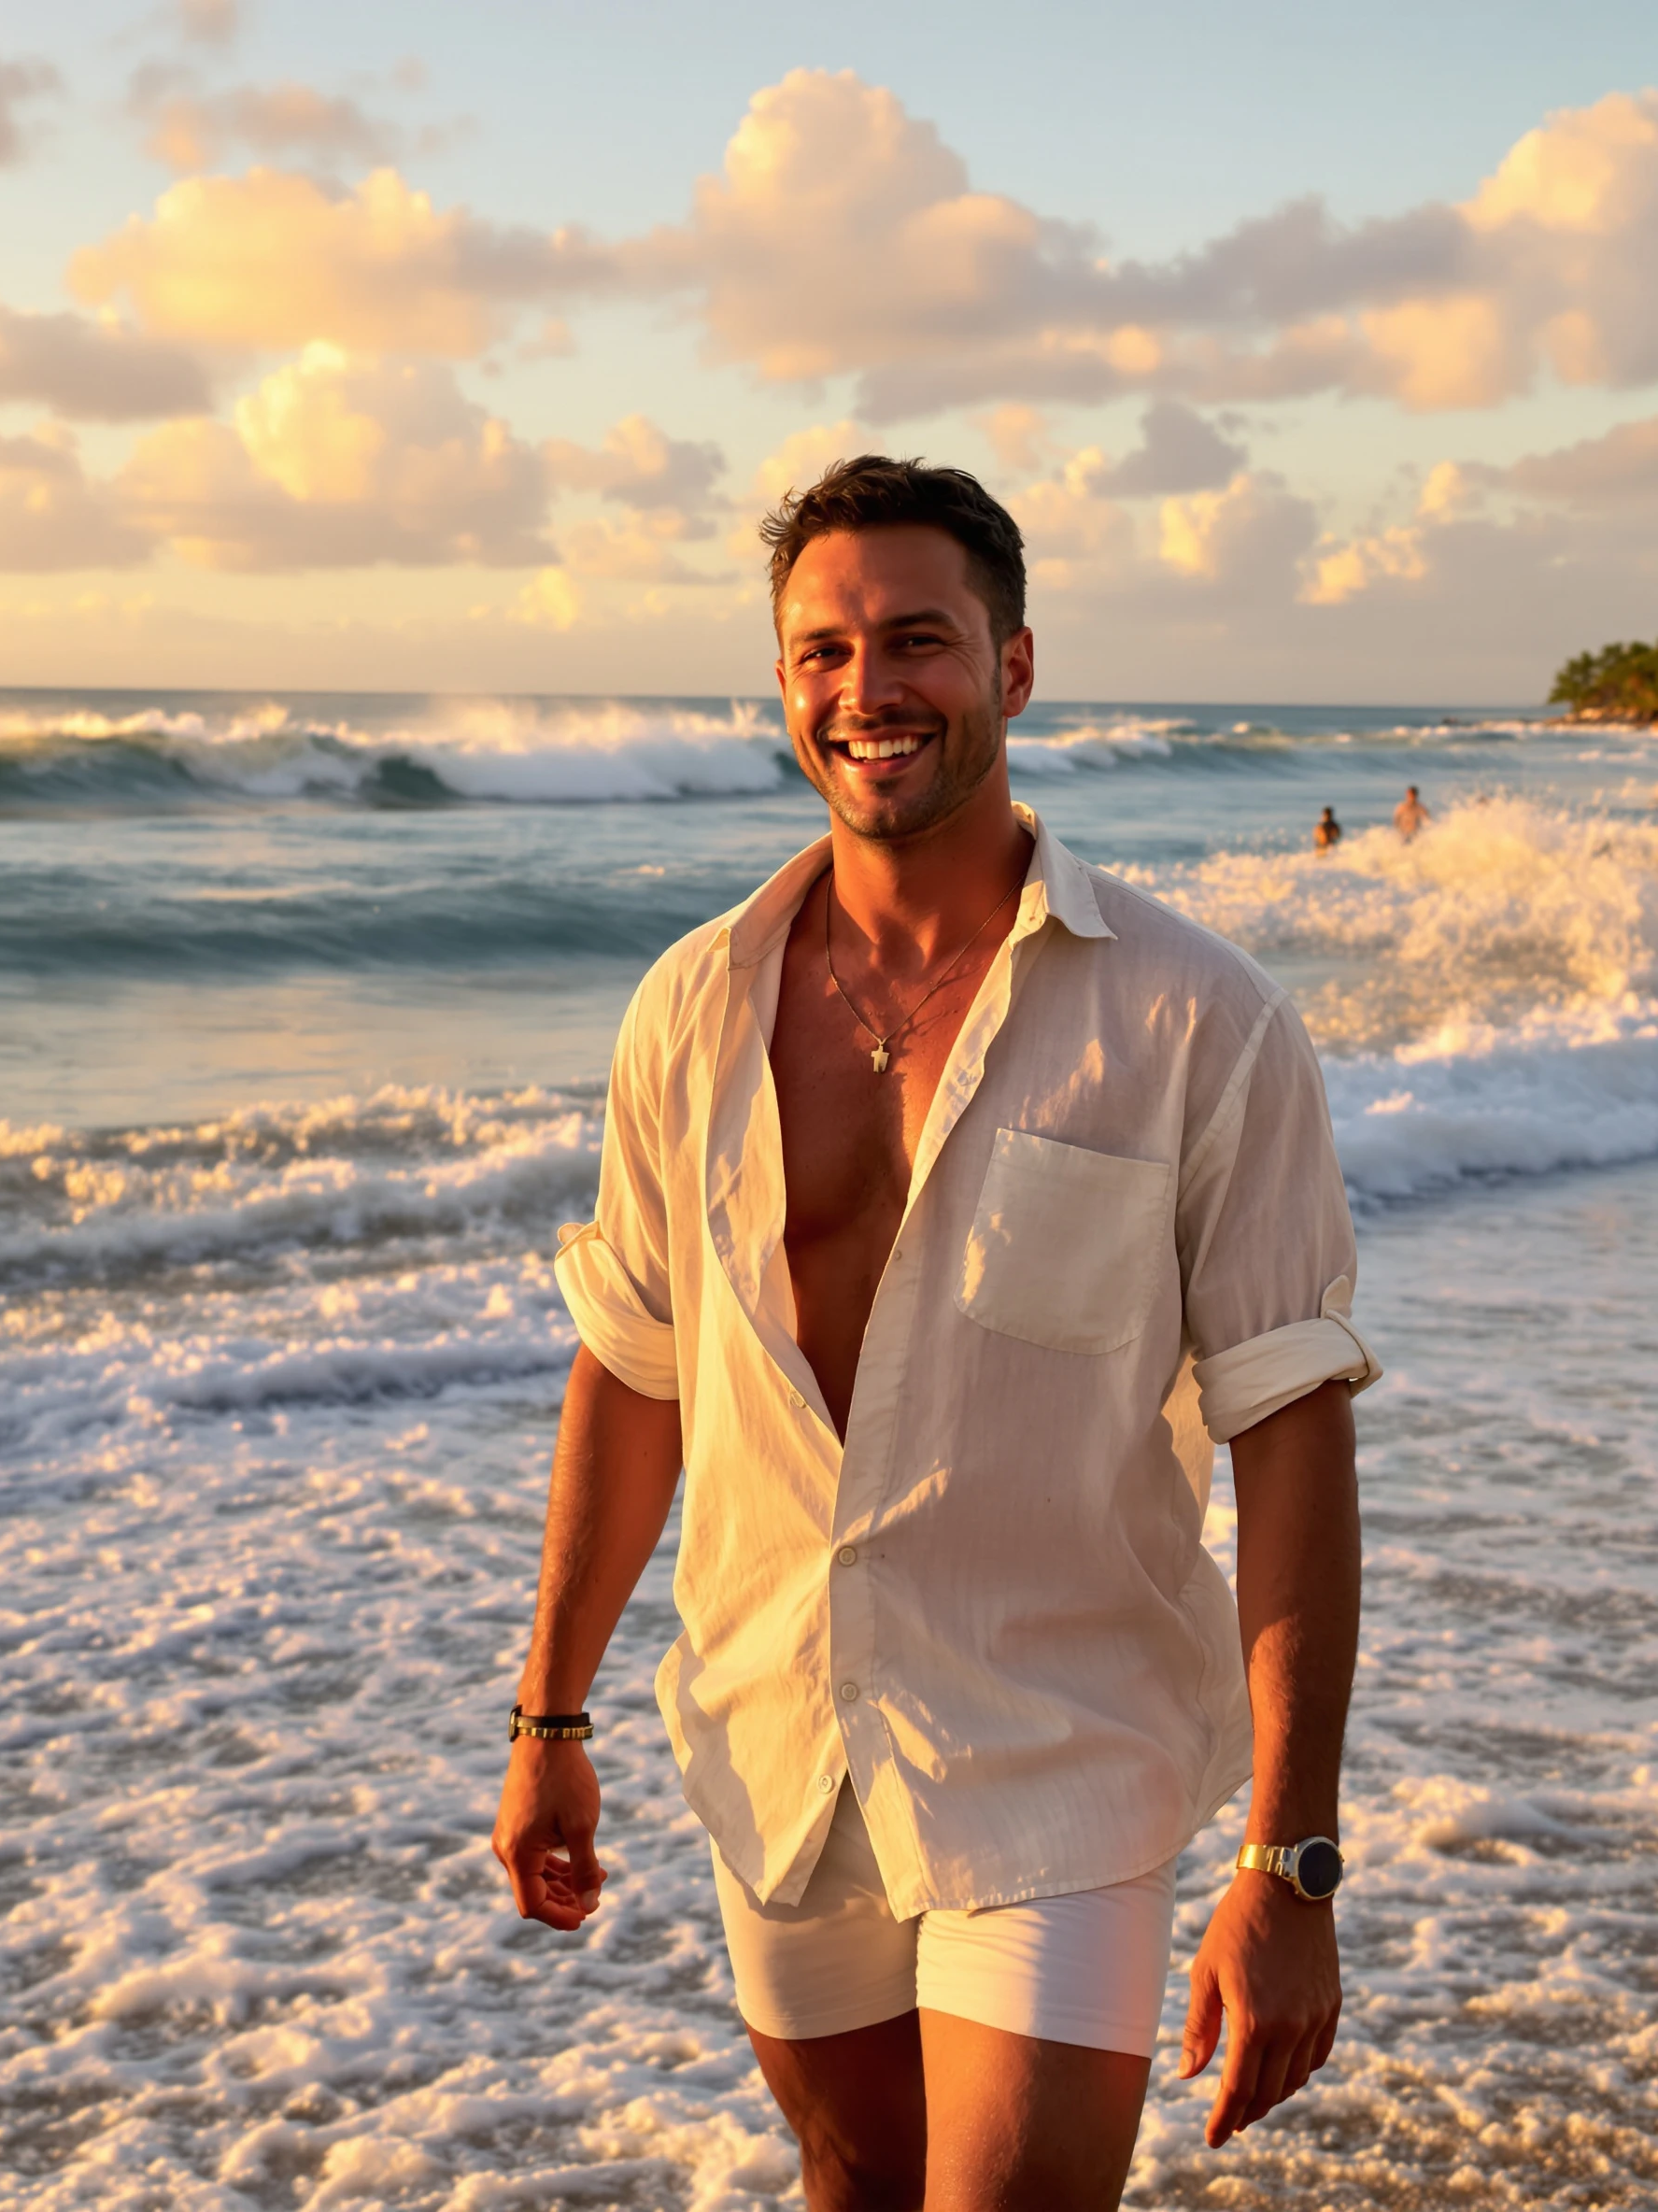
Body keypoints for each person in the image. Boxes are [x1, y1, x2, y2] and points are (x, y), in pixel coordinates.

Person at [491, 457, 1379, 2212]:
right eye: (823, 650)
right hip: (776, 1742)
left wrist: (1291, 1858)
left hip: (1055, 1747)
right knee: (851, 2180)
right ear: (782, 684)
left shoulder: (1198, 1017)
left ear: (1015, 667)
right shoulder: (692, 1002)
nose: (868, 690)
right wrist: (548, 1719)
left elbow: (1289, 1429)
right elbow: (637, 1366)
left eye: (918, 641)